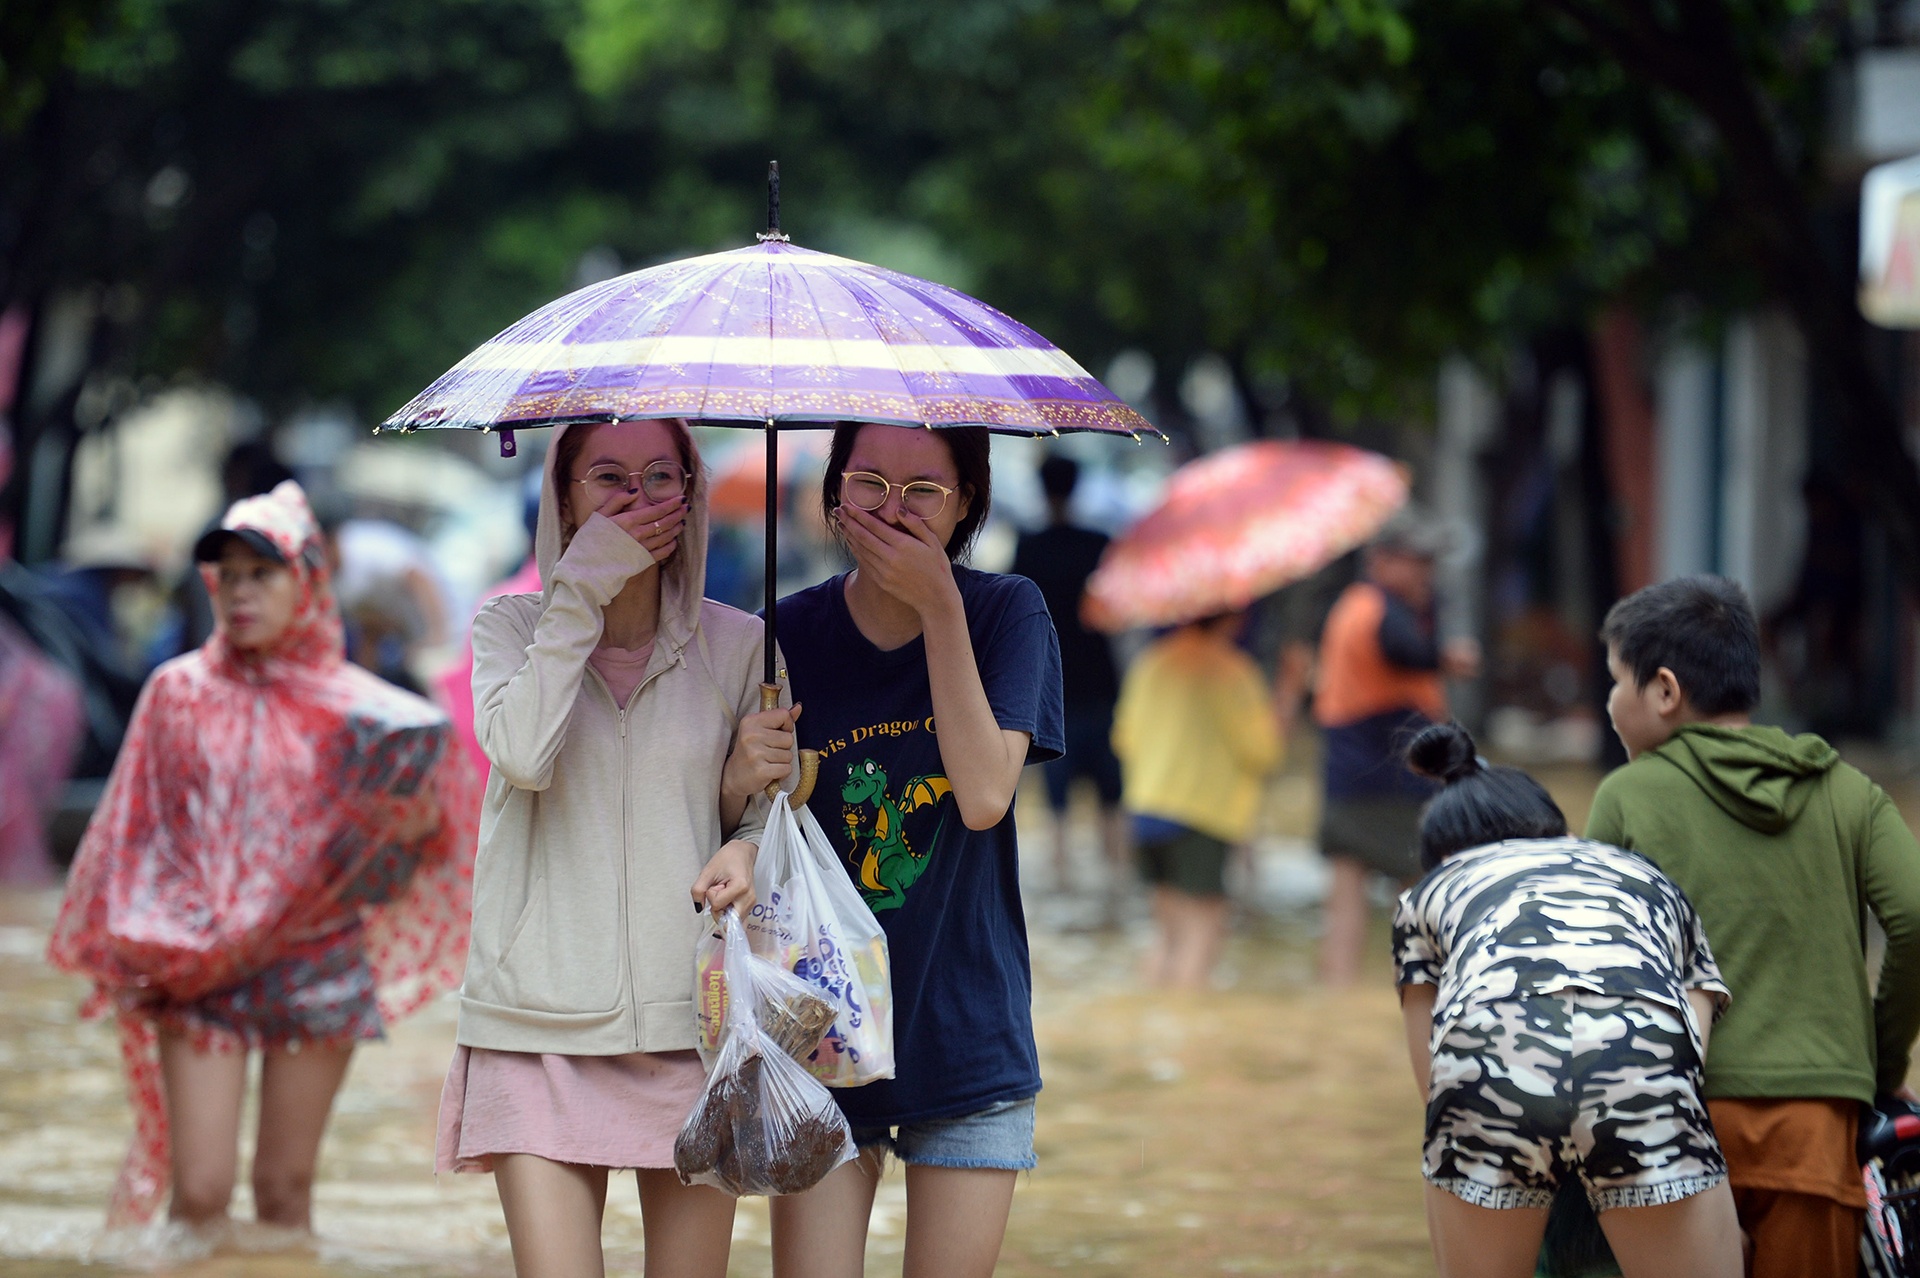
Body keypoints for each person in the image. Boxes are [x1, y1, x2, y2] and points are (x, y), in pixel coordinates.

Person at [45, 480, 480, 1234]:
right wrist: (153, 941)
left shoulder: (366, 715)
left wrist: (408, 810)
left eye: (262, 573)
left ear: (307, 581)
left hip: (317, 961)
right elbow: (133, 836)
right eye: (229, 577)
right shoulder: (176, 693)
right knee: (203, 1193)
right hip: (202, 960)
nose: (240, 593)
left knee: (285, 1192)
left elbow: (415, 850)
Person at [435, 418, 775, 1278]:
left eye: (662, 476)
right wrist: (579, 595)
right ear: (561, 497)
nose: (636, 499)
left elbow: (765, 819)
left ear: (692, 496)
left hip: (694, 1024)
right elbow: (519, 754)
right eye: (608, 478)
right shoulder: (509, 629)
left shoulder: (740, 644)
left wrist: (746, 834)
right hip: (533, 1026)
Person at [727, 422, 1064, 1278]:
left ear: (967, 506)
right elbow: (736, 830)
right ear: (835, 495)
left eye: (923, 492)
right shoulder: (780, 637)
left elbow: (986, 795)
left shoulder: (1005, 611)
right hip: (819, 1033)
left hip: (966, 1034)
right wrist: (739, 772)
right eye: (869, 483)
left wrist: (940, 607)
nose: (893, 510)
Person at [1584, 575, 1920, 1278]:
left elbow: (1597, 967)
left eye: (1616, 682)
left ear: (1665, 691)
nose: (1610, 703)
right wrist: (1877, 1067)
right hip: (1817, 1124)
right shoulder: (1846, 790)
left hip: (1671, 1126)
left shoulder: (1626, 797)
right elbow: (1915, 919)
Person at [1393, 721, 1742, 1278]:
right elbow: (1691, 1035)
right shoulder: (1645, 877)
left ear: (1443, 853)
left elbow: (1430, 1077)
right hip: (1639, 1060)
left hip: (1489, 1065)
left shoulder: (1430, 891)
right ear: (1553, 828)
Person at [1314, 518, 1479, 986]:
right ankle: (1411, 1001)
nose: (1426, 572)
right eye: (1416, 561)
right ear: (1380, 561)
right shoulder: (1376, 609)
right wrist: (1446, 657)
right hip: (1386, 776)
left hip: (1350, 771)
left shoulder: (1362, 604)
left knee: (1347, 899)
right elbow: (1404, 651)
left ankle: (1339, 996)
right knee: (1415, 898)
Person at [1111, 611, 1281, 988]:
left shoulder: (1151, 662)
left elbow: (1124, 737)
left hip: (1146, 809)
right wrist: (1287, 695)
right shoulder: (1233, 670)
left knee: (1166, 938)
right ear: (1232, 618)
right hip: (1201, 814)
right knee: (1202, 936)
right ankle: (1191, 1040)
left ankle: (1155, 1033)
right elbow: (1262, 752)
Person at [1011, 453, 1126, 896]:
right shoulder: (1099, 544)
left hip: (1051, 688)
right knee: (1111, 796)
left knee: (1056, 803)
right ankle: (1116, 891)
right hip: (1101, 682)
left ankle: (1063, 887)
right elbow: (1117, 611)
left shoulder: (1029, 548)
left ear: (1042, 488)